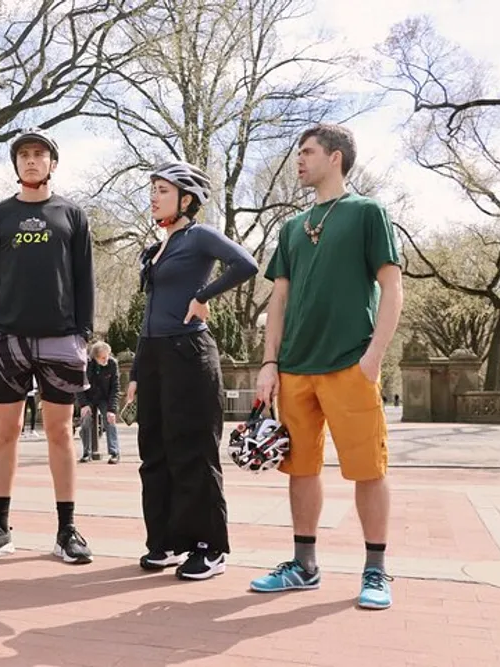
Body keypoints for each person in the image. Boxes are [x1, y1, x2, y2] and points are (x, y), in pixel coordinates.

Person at [250, 123, 403, 610]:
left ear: (335, 157)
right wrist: (269, 362)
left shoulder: (367, 212)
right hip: (295, 367)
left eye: (307, 151)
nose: (298, 159)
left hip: (349, 364)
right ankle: (304, 566)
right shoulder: (292, 227)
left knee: (367, 470)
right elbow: (278, 298)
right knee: (300, 469)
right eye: (298, 151)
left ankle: (376, 571)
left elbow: (392, 286)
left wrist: (374, 355)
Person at [124, 161, 258, 580]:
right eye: (152, 190)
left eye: (162, 190)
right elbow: (149, 312)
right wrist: (136, 372)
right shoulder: (156, 247)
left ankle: (209, 547)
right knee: (155, 453)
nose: (154, 196)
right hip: (155, 356)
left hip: (190, 352)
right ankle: (163, 542)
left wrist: (204, 296)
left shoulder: (198, 235)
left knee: (193, 451)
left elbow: (246, 264)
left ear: (186, 199)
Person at [0, 127, 94, 565]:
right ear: (16, 164)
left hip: (61, 337)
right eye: (24, 155)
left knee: (60, 433)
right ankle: (0, 527)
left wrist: (83, 332)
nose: (31, 160)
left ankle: (67, 530)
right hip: (7, 339)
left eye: (40, 154)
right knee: (6, 432)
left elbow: (84, 279)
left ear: (52, 163)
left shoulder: (73, 216)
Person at [78, 342, 121, 464]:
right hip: (88, 398)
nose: (106, 359)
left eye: (107, 356)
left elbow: (115, 387)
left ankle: (114, 452)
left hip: (104, 397)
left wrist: (111, 410)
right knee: (86, 420)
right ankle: (87, 453)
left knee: (110, 420)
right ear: (95, 357)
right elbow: (79, 386)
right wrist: (83, 405)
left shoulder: (112, 364)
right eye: (102, 358)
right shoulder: (86, 364)